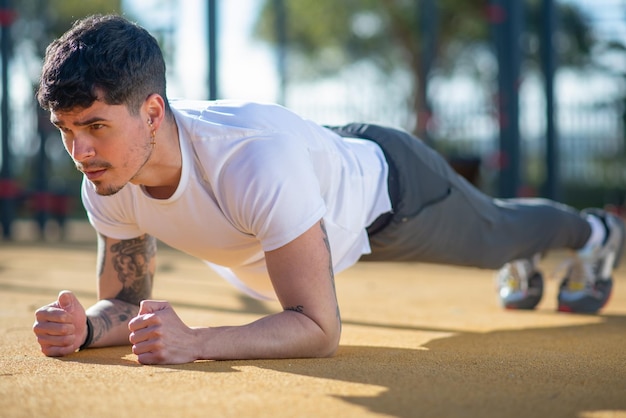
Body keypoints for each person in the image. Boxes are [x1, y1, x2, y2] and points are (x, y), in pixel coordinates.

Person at [33, 14, 624, 365]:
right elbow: (128, 301)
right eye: (66, 131)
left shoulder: (251, 163)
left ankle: (596, 232)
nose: (80, 151)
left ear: (153, 111)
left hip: (393, 195)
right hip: (317, 166)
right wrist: (86, 328)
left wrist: (198, 340)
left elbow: (318, 329)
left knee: (497, 233)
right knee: (499, 235)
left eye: (96, 127)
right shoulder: (108, 180)